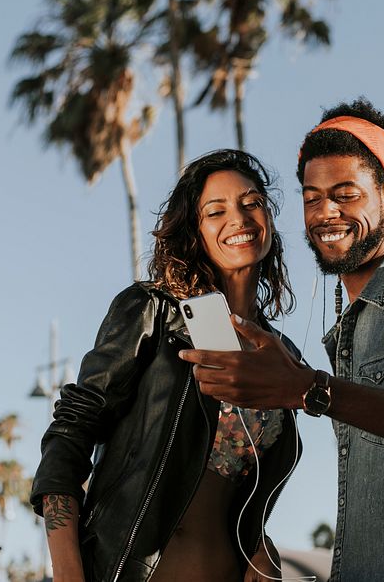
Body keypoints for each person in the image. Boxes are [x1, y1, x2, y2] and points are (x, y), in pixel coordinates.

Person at [180, 98, 384, 581]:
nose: (325, 213)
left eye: (345, 194)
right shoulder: (344, 332)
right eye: (312, 197)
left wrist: (310, 390)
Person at [30, 149, 303, 582]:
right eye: (216, 211)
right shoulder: (154, 311)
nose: (239, 219)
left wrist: (261, 545)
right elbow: (70, 432)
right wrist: (67, 573)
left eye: (251, 203)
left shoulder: (280, 354)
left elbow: (243, 487)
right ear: (195, 231)